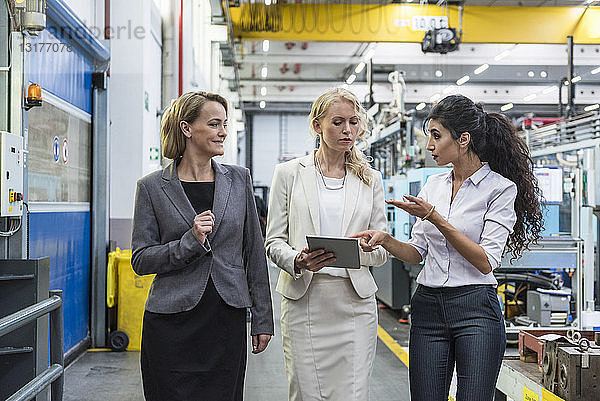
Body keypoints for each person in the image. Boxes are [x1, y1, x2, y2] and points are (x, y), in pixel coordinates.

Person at [352, 94, 543, 401]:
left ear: (463, 139)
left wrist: (435, 217)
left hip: (475, 310)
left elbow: (485, 261)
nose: (429, 145)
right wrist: (385, 240)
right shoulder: (433, 186)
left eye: (436, 136)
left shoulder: (500, 189)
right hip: (428, 308)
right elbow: (417, 253)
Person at [131, 91, 274, 401]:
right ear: (187, 128)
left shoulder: (239, 180)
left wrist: (263, 317)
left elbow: (253, 252)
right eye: (214, 124)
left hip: (225, 321)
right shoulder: (153, 187)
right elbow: (141, 259)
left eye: (225, 124)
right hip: (171, 324)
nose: (223, 132)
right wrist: (189, 242)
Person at [265, 87, 388, 401]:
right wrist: (297, 260)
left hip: (355, 303)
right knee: (305, 392)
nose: (347, 130)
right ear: (317, 126)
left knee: (354, 393)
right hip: (305, 299)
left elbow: (383, 248)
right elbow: (273, 241)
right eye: (337, 122)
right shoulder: (288, 174)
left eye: (353, 121)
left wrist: (370, 247)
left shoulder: (370, 179)